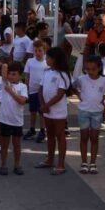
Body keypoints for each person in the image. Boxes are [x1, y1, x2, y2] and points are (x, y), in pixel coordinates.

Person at [36, 47, 71, 175]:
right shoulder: (46, 72)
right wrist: (43, 104)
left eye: (48, 57)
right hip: (47, 109)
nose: (46, 59)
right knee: (50, 134)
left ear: (55, 59)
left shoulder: (63, 74)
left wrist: (48, 105)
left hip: (58, 111)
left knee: (60, 135)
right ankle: (50, 159)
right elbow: (40, 89)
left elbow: (60, 94)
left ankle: (61, 163)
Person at [74, 56, 105, 175]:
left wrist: (104, 99)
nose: (90, 71)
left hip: (97, 112)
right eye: (88, 69)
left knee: (94, 138)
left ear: (99, 68)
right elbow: (73, 86)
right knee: (84, 137)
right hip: (83, 111)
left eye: (93, 69)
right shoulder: (81, 79)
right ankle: (84, 162)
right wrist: (79, 95)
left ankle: (93, 163)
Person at [0, 62, 27, 175]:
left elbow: (22, 101)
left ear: (20, 75)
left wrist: (11, 91)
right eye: (9, 74)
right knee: (4, 144)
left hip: (17, 121)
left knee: (17, 145)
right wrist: (7, 66)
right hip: (4, 120)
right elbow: (4, 66)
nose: (11, 76)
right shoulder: (6, 83)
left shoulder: (23, 87)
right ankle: (3, 164)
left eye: (14, 74)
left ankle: (17, 164)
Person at [23, 39, 48, 142]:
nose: (37, 53)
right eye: (36, 50)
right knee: (32, 111)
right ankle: (32, 129)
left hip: (43, 92)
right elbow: (27, 76)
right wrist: (26, 89)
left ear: (44, 51)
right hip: (32, 91)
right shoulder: (30, 61)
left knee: (42, 112)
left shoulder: (47, 63)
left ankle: (42, 131)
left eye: (40, 50)